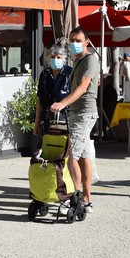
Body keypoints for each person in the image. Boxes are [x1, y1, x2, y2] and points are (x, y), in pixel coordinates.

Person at [45, 27, 99, 213]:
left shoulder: (90, 60)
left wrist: (62, 103)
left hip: (84, 113)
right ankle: (86, 200)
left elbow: (83, 86)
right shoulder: (77, 61)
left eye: (78, 40)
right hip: (77, 112)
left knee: (70, 156)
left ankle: (71, 199)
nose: (74, 44)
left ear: (87, 42)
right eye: (72, 40)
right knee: (84, 158)